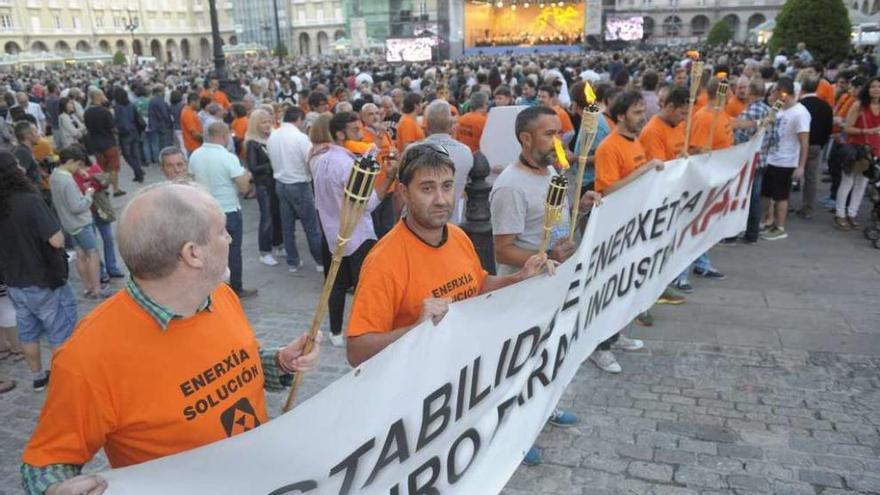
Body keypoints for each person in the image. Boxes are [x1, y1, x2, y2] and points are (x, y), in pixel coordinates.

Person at [20, 181, 321, 495]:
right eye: (222, 231)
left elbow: (238, 367)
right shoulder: (87, 357)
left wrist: (281, 362)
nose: (230, 238)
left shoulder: (219, 295)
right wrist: (53, 490)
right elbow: (44, 465)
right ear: (193, 254)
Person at [346, 141, 554, 465]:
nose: (442, 199)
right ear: (403, 192)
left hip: (462, 385)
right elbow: (357, 350)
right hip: (416, 404)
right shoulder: (383, 262)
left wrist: (519, 278)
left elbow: (479, 284)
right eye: (427, 188)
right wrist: (417, 329)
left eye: (447, 186)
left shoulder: (457, 236)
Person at [592, 91, 662, 372]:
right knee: (610, 288)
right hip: (615, 230)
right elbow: (607, 189)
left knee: (627, 286)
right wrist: (645, 170)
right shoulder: (609, 147)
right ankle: (600, 347)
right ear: (621, 115)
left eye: (643, 110)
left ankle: (616, 334)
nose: (642, 116)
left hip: (635, 227)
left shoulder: (635, 141)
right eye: (636, 111)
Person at [312, 112, 395, 347]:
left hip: (332, 233)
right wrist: (389, 180)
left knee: (336, 285)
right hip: (356, 235)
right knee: (365, 287)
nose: (361, 134)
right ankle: (363, 331)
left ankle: (336, 331)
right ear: (340, 134)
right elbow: (366, 205)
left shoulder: (322, 160)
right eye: (356, 130)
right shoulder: (346, 164)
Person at [0, 150, 77, 392]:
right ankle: (65, 380)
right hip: (43, 280)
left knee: (28, 333)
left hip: (14, 282)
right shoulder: (29, 200)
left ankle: (37, 377)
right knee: (60, 331)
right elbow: (56, 240)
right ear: (14, 171)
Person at [189, 122, 257, 299]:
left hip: (204, 209)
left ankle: (212, 286)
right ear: (224, 136)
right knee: (233, 250)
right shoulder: (228, 157)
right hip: (228, 209)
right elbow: (243, 188)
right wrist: (247, 178)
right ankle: (235, 287)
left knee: (208, 250)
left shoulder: (195, 155)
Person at [266, 106, 324, 272]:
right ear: (299, 119)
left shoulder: (273, 136)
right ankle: (320, 261)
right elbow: (309, 160)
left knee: (287, 226)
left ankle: (293, 262)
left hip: (280, 183)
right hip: (298, 183)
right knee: (311, 226)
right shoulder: (300, 138)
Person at [49, 145, 108, 299]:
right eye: (77, 164)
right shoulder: (67, 180)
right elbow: (77, 206)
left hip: (68, 223)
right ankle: (97, 289)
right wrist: (88, 194)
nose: (78, 168)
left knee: (80, 255)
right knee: (92, 254)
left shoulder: (54, 175)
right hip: (80, 223)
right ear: (69, 161)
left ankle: (87, 287)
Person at [761, 78, 811, 241]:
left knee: (780, 196)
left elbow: (804, 141)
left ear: (783, 93)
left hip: (786, 161)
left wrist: (801, 166)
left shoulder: (800, 113)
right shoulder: (780, 109)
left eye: (775, 91)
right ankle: (768, 222)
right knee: (767, 193)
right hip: (772, 158)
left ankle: (780, 226)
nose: (772, 94)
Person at [836, 76, 880, 230]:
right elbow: (847, 128)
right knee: (847, 181)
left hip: (874, 150)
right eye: (873, 86)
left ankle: (852, 213)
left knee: (862, 183)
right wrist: (868, 131)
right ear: (867, 89)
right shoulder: (859, 105)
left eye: (879, 87)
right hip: (855, 148)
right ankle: (840, 214)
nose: (876, 89)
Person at [424, 100, 474, 225]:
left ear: (427, 124)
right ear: (450, 124)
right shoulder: (465, 152)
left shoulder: (412, 151)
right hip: (453, 222)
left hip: (421, 225)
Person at [735, 80, 772, 244]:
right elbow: (775, 137)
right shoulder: (770, 110)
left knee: (745, 197)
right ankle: (753, 233)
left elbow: (740, 138)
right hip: (763, 159)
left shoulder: (749, 112)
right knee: (755, 199)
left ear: (751, 92)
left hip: (750, 160)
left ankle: (742, 232)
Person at [245, 108, 283, 266]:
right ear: (255, 125)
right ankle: (264, 251)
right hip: (263, 185)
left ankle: (279, 244)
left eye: (268, 122)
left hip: (275, 183)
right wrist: (271, 164)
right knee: (266, 217)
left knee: (277, 215)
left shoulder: (273, 138)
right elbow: (253, 167)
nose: (267, 125)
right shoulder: (252, 143)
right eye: (263, 122)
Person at [798, 76, 834, 219]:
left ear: (802, 88)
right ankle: (808, 207)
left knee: (789, 174)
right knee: (811, 178)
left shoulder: (799, 105)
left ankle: (783, 203)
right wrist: (821, 143)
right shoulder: (825, 106)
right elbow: (828, 128)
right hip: (816, 145)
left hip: (798, 145)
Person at [359, 102, 398, 237]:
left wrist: (394, 157)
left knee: (387, 228)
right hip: (373, 190)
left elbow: (391, 150)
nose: (375, 117)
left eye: (377, 113)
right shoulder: (361, 136)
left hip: (389, 187)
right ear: (363, 118)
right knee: (374, 229)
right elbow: (366, 159)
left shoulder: (385, 132)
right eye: (370, 114)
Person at [84, 89, 126, 196]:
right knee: (113, 168)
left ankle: (104, 188)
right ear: (98, 96)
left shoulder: (87, 112)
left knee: (102, 168)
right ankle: (116, 189)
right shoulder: (105, 111)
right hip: (109, 143)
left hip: (96, 144)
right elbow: (113, 128)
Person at [689, 78, 735, 154]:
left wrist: (755, 124)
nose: (731, 94)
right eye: (728, 90)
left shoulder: (720, 111)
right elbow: (695, 151)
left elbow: (732, 122)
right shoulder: (703, 118)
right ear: (722, 93)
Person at [112, 88, 146, 184]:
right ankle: (137, 172)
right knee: (135, 154)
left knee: (127, 155)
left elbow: (118, 121)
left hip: (125, 133)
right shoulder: (131, 105)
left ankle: (138, 171)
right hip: (134, 131)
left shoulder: (118, 107)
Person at [148, 84, 175, 150]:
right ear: (159, 92)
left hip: (154, 125)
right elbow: (164, 113)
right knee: (164, 143)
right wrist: (169, 122)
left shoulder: (151, 100)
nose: (164, 93)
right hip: (162, 125)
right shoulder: (160, 100)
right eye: (163, 91)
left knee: (157, 143)